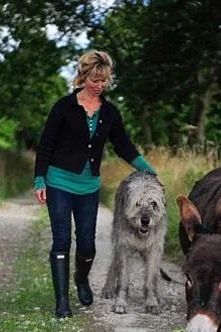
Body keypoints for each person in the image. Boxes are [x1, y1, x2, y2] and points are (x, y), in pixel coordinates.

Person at [34, 50, 157, 318]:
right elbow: (46, 145)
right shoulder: (63, 107)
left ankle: (81, 279)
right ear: (83, 76)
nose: (99, 85)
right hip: (59, 181)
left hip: (89, 186)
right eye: (94, 79)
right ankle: (62, 302)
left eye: (104, 80)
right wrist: (40, 178)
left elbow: (124, 146)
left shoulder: (109, 112)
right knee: (61, 240)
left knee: (87, 244)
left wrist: (150, 171)